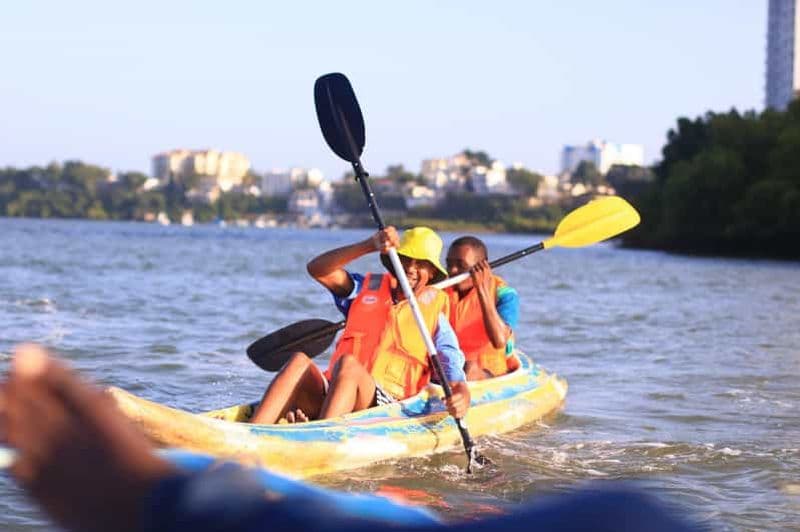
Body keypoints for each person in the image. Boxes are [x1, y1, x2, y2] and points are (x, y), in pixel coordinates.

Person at [0, 345, 699, 532]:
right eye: (419, 269)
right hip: (352, 396)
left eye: (428, 272)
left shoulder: (438, 318)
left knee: (625, 515)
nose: (418, 278)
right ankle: (266, 433)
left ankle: (308, 436)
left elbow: (453, 371)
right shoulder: (376, 287)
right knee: (312, 362)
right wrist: (377, 250)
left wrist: (455, 386)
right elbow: (326, 276)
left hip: (393, 404)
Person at [249, 226, 470, 424]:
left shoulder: (435, 315)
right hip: (337, 393)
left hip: (389, 408)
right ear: (394, 261)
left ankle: (321, 438)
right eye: (405, 260)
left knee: (349, 365)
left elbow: (454, 371)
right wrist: (369, 245)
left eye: (421, 264)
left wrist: (462, 396)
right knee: (298, 360)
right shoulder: (364, 288)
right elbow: (318, 269)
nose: (411, 268)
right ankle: (253, 433)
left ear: (432, 273)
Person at [445, 236, 520, 380]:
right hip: (450, 365)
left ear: (482, 267)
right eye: (449, 264)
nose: (453, 271)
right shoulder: (441, 290)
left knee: (469, 367)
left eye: (461, 265)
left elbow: (499, 340)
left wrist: (482, 290)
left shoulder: (505, 295)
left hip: (487, 369)